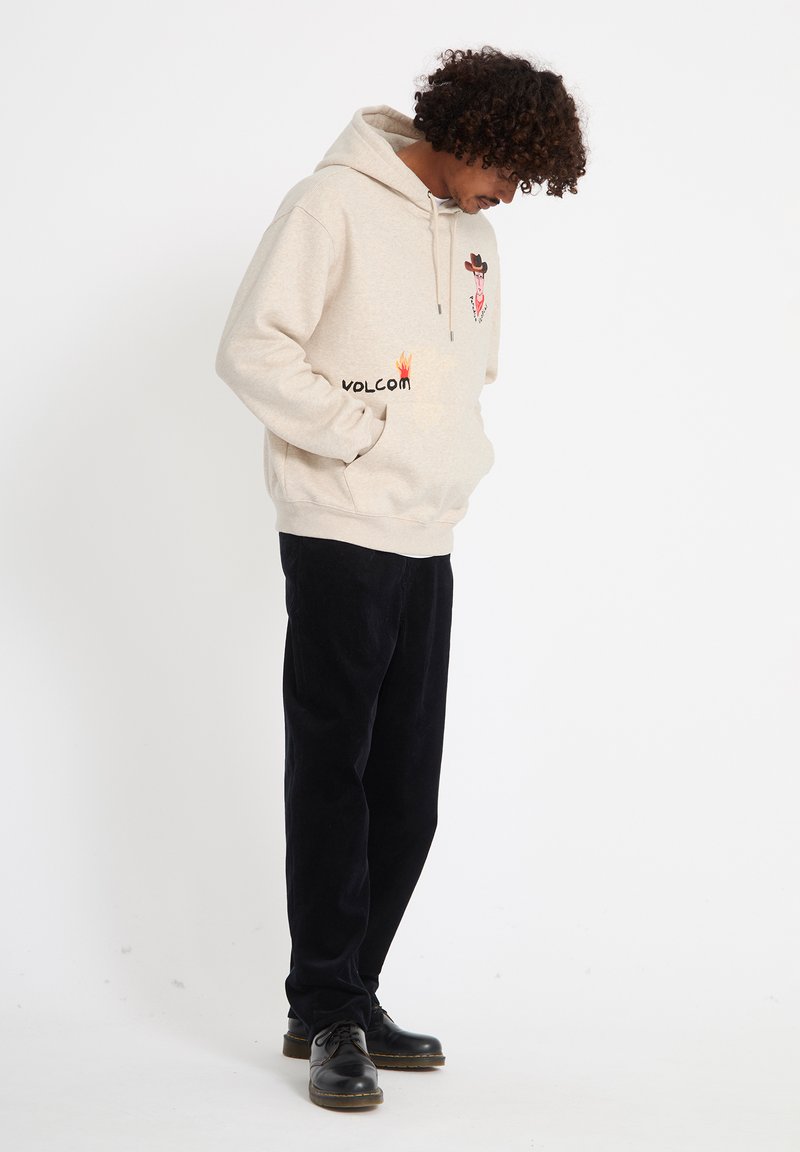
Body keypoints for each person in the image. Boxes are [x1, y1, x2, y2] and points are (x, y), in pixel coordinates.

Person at [215, 45, 586, 1110]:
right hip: (339, 528)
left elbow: (470, 372)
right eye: (507, 171)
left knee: (406, 795)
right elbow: (252, 347)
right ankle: (326, 1007)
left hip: (429, 534)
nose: (507, 195)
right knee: (334, 774)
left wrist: (441, 448)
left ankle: (348, 993)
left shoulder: (475, 239)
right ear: (471, 135)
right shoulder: (329, 204)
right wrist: (363, 434)